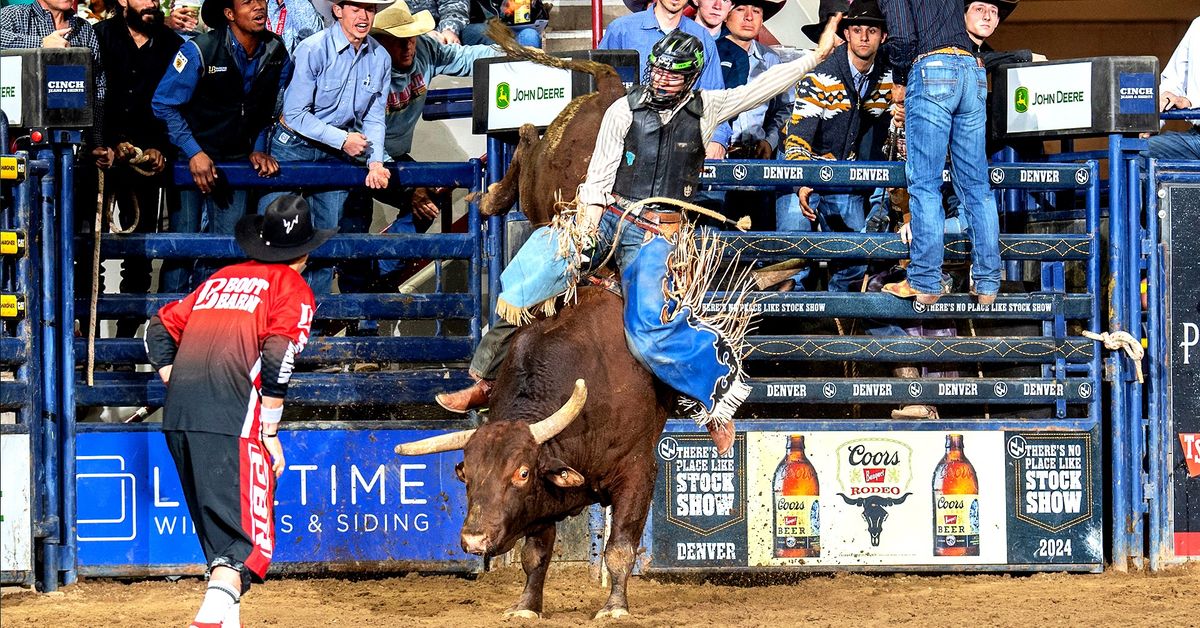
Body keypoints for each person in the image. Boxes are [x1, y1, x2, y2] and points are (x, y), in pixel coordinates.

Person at [439, 24, 841, 454]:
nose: (662, 79)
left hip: (658, 232)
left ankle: (716, 402)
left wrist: (814, 59)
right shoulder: (623, 111)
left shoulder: (708, 108)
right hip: (609, 214)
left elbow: (763, 86)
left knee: (648, 328)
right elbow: (598, 177)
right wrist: (584, 232)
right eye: (658, 70)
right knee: (530, 275)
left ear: (690, 77)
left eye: (673, 74)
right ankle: (485, 379)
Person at [145, 195, 330, 628]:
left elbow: (157, 327)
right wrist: (270, 430)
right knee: (246, 544)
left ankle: (226, 622)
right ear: (304, 252)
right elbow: (280, 352)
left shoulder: (220, 279)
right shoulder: (293, 289)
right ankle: (206, 622)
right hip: (234, 418)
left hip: (180, 418)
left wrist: (177, 377)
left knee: (221, 538)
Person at [337, 1, 497, 303]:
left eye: (411, 37)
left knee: (428, 199)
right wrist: (410, 186)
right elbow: (354, 137)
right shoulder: (359, 69)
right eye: (399, 40)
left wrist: (514, 55)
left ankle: (379, 277)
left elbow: (466, 57)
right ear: (379, 41)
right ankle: (359, 305)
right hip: (353, 158)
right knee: (353, 226)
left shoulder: (424, 49)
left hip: (392, 156)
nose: (409, 46)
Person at [152, 0, 291, 293]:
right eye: (248, 2)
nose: (259, 7)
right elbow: (163, 104)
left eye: (261, 0)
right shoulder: (198, 50)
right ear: (228, 13)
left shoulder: (276, 50)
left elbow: (271, 107)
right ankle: (167, 325)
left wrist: (258, 146)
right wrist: (193, 151)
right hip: (190, 163)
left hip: (236, 162)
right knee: (182, 249)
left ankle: (212, 326)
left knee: (229, 250)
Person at [260, 0, 393, 295]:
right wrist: (342, 139)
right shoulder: (313, 48)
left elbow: (374, 116)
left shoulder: (380, 57)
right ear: (338, 10)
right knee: (276, 231)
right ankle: (270, 316)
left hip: (336, 150)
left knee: (324, 238)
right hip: (294, 145)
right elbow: (294, 114)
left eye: (369, 9)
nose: (363, 15)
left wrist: (375, 162)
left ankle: (314, 323)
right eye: (356, 8)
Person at [878, 0, 1000, 305]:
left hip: (932, 69)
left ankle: (925, 281)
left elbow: (904, 37)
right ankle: (987, 284)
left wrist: (900, 79)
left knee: (925, 184)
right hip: (971, 69)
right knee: (977, 187)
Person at [779, 0, 893, 292]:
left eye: (871, 30)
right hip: (803, 163)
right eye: (857, 30)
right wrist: (801, 180)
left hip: (844, 170)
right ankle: (791, 324)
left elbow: (889, 124)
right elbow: (798, 136)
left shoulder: (889, 77)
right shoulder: (821, 74)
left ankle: (836, 313)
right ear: (847, 34)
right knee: (793, 252)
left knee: (855, 255)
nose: (864, 37)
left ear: (883, 36)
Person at [94, 0, 183, 335]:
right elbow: (90, 96)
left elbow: (178, 103)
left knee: (140, 257)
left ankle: (125, 348)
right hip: (101, 159)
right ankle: (92, 343)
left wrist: (161, 148)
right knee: (92, 252)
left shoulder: (174, 45)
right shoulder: (98, 37)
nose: (152, 3)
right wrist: (106, 142)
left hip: (147, 162)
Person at [596, 0, 732, 157]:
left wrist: (717, 139)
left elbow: (714, 97)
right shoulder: (621, 30)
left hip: (681, 145)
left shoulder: (702, 38)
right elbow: (599, 89)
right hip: (626, 141)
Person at [715, 0, 788, 230]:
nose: (749, 17)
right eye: (740, 9)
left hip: (758, 159)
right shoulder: (712, 54)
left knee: (759, 236)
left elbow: (785, 107)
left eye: (756, 11)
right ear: (727, 15)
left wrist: (770, 140)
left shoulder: (772, 61)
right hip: (720, 159)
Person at [1146, 16, 1200, 160]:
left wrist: (1191, 102)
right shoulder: (1198, 25)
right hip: (1197, 138)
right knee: (1137, 153)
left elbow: (1189, 102)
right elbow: (1174, 81)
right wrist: (1149, 124)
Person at [460, 0, 543, 48]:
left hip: (511, 30)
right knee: (484, 30)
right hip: (476, 29)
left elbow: (539, 16)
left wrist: (532, 5)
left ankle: (528, 71)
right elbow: (454, 13)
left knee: (530, 35)